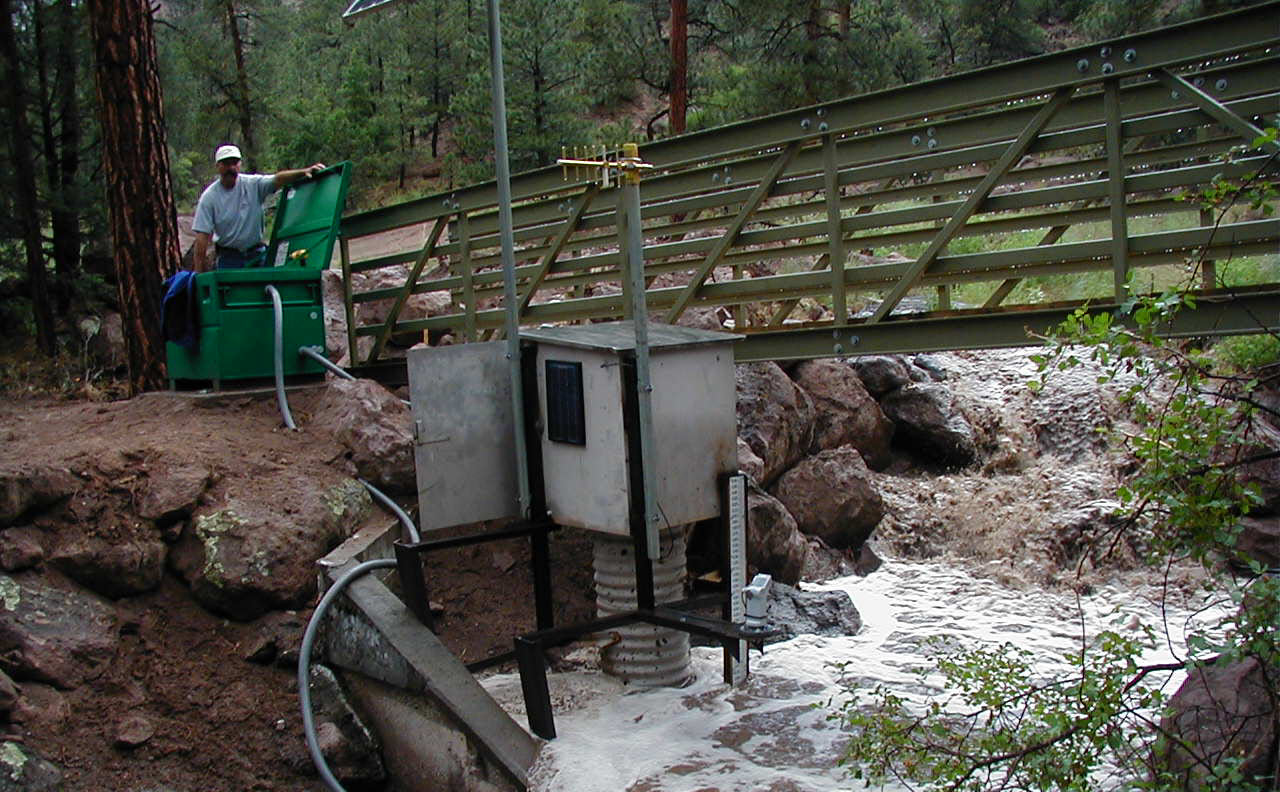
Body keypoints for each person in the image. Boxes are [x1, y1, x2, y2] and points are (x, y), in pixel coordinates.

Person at [191, 144, 325, 271]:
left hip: (257, 255)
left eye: (235, 163)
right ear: (218, 166)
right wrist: (198, 276)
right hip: (229, 258)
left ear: (240, 164)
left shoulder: (253, 184)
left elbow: (277, 179)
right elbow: (202, 238)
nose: (231, 168)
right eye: (226, 164)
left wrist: (303, 172)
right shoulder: (209, 198)